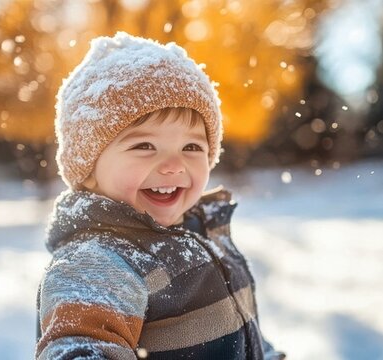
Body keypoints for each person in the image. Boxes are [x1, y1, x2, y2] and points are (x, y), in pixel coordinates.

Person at [36, 32, 283, 359]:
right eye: (144, 146)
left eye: (192, 146)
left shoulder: (201, 232)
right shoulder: (97, 259)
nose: (173, 165)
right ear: (89, 169)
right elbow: (79, 345)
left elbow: (244, 332)